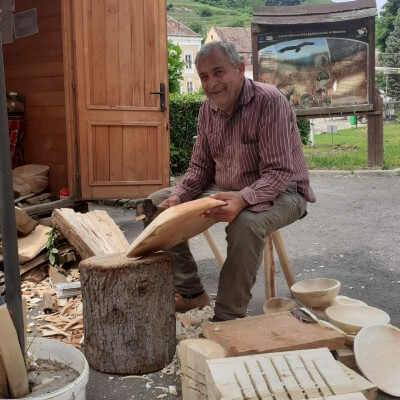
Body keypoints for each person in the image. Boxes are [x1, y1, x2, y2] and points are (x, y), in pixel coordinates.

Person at [149, 40, 315, 321]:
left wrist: (244, 198)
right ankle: (191, 293)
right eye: (204, 76)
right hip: (227, 187)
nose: (211, 83)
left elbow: (278, 172)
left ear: (240, 69)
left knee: (245, 224)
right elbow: (200, 167)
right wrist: (179, 195)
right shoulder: (207, 109)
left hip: (284, 190)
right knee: (158, 205)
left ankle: (227, 317)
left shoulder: (269, 100)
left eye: (218, 72)